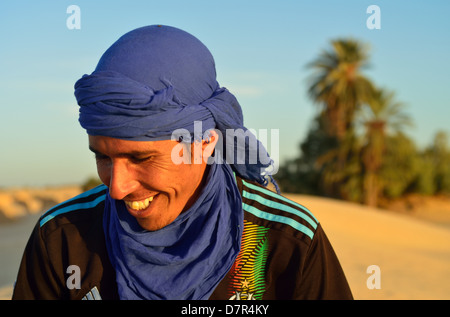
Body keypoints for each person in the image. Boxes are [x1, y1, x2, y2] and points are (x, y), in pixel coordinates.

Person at [12, 25, 353, 300]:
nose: (117, 188)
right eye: (102, 156)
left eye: (140, 157)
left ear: (205, 144)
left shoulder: (286, 243)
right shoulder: (61, 239)